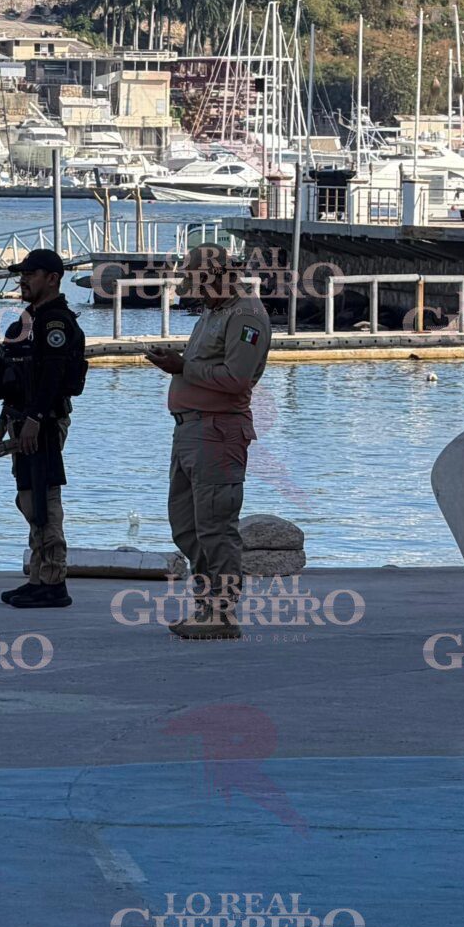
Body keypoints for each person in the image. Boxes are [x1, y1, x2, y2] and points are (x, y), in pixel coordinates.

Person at [146, 243, 272, 639]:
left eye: (198, 283)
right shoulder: (213, 311)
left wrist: (183, 366)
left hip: (218, 432)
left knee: (216, 526)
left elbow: (237, 379)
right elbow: (204, 366)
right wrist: (179, 365)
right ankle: (207, 604)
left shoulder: (246, 315)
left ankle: (222, 612)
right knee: (186, 526)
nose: (195, 293)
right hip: (190, 429)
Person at [0, 248, 87, 609]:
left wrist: (35, 418)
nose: (23, 280)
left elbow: (53, 376)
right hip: (23, 420)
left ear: (52, 278)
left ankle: (53, 581)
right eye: (22, 274)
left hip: (42, 424)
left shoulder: (55, 322)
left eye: (30, 274)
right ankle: (38, 577)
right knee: (29, 498)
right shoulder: (30, 320)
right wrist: (7, 421)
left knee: (44, 500)